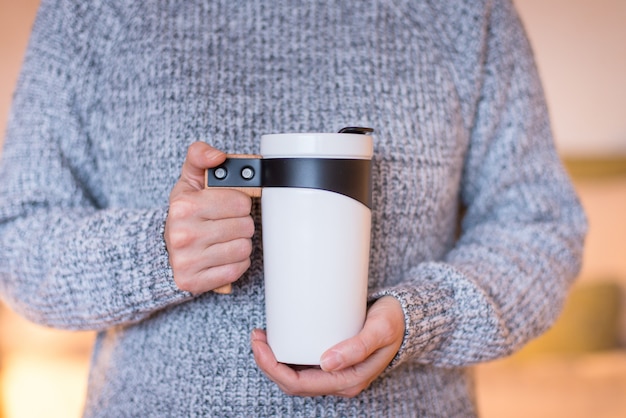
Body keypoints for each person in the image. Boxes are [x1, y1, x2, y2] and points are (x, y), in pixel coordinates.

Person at [0, 0, 587, 416]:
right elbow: (16, 234)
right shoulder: (90, 13)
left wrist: (423, 317)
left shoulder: (467, 12)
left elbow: (539, 225)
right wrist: (155, 252)